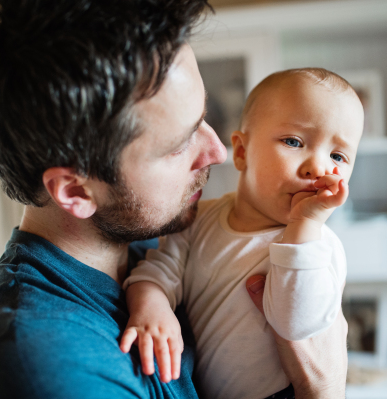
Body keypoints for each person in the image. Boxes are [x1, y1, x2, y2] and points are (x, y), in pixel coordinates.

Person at [0, 0, 348, 398]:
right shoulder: (49, 372)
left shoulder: (151, 240)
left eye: (203, 117)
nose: (217, 151)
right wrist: (324, 390)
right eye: (179, 144)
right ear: (75, 190)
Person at [121, 68, 363, 399]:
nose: (317, 168)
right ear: (241, 152)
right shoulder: (200, 221)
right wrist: (151, 305)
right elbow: (157, 271)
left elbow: (295, 325)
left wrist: (305, 225)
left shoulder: (320, 247)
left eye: (337, 156)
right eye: (294, 141)